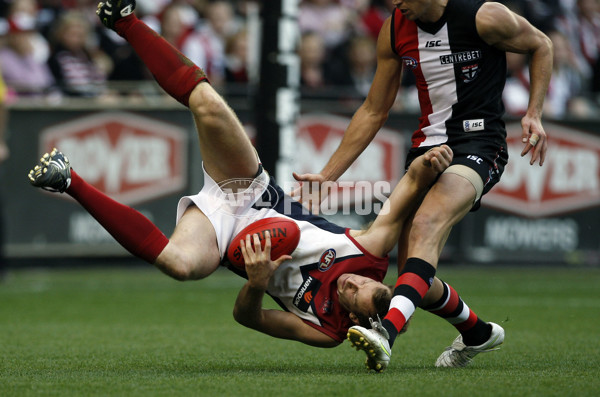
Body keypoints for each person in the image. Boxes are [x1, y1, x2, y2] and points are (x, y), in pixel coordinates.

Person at [28, 0, 454, 349]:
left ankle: (69, 180)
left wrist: (257, 283)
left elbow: (246, 318)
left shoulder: (326, 331)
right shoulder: (371, 255)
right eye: (360, 282)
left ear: (357, 320)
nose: (352, 284)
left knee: (179, 265)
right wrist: (427, 163)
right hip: (250, 192)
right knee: (209, 104)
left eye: (352, 295)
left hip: (223, 237)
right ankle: (126, 21)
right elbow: (407, 192)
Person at [293, 0, 553, 371]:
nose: (396, 3)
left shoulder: (484, 15)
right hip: (426, 149)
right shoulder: (395, 28)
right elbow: (373, 110)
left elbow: (541, 44)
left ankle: (385, 335)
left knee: (427, 225)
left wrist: (534, 112)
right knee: (413, 276)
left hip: (480, 144)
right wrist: (328, 175)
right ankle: (479, 333)